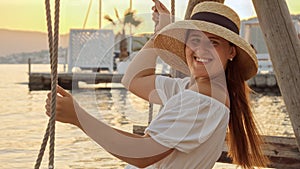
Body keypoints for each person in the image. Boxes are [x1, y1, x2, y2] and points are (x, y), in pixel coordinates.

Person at [45, 1, 269, 168]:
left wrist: (79, 118)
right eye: (195, 40)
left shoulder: (203, 100)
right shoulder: (190, 89)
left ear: (231, 52)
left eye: (213, 42)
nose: (201, 49)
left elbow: (143, 153)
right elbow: (134, 79)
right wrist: (159, 32)